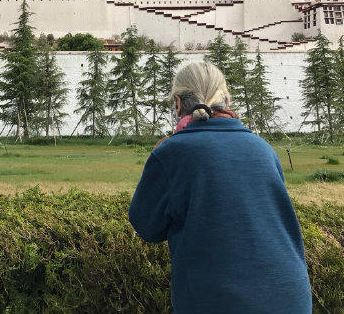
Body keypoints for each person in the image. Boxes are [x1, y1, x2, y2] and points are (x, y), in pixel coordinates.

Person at [128, 62, 311, 314]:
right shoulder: (262, 148)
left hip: (220, 301)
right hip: (292, 296)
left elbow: (147, 227)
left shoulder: (172, 152)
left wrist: (156, 156)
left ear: (178, 103)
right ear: (226, 100)